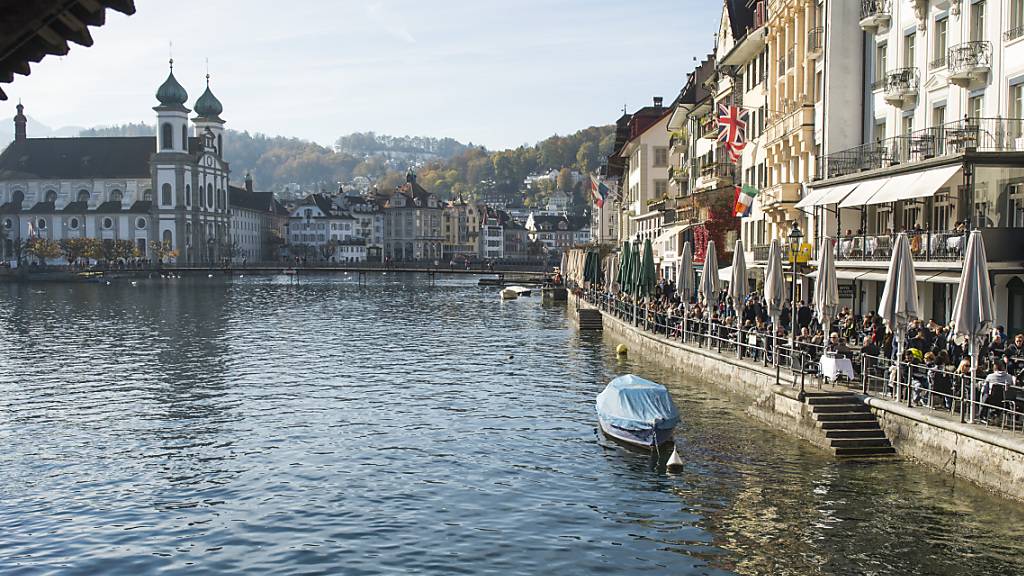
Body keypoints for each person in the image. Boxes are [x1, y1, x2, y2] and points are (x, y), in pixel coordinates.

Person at [979, 359, 1013, 423]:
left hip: (991, 400)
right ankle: (996, 415)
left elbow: (984, 388)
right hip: (1005, 401)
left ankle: (982, 415)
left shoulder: (990, 376)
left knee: (985, 393)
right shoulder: (1009, 377)